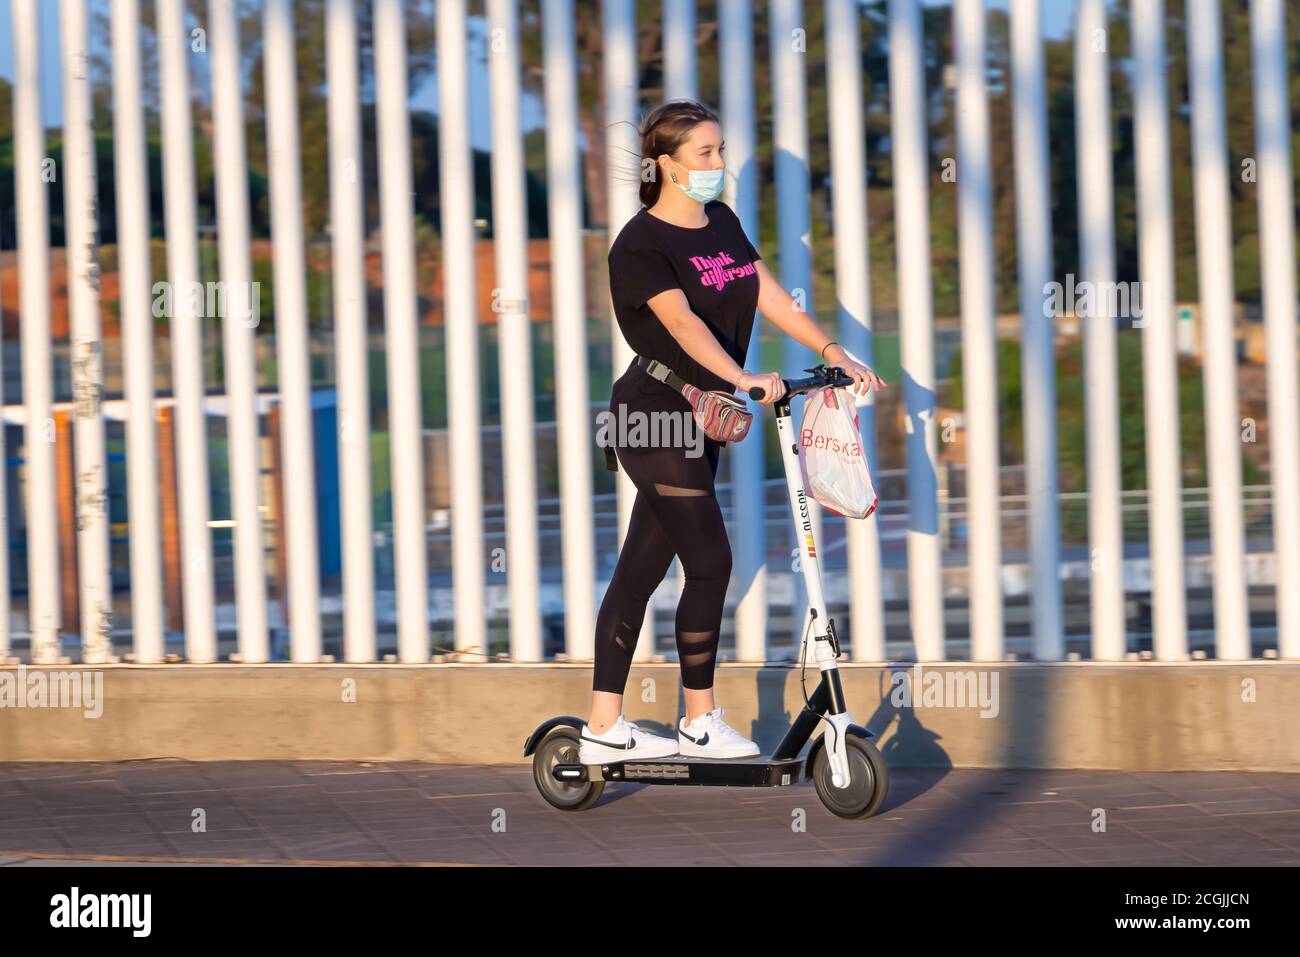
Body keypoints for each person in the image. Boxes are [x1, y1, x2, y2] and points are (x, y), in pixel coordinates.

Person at [579, 99, 887, 764]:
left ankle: (602, 725)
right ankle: (698, 719)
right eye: (705, 154)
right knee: (711, 559)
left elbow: (769, 295)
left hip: (703, 419)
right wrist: (741, 374)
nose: (720, 165)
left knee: (641, 567)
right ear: (663, 165)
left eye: (721, 151)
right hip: (652, 416)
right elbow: (682, 323)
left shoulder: (720, 223)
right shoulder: (639, 245)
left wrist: (834, 352)